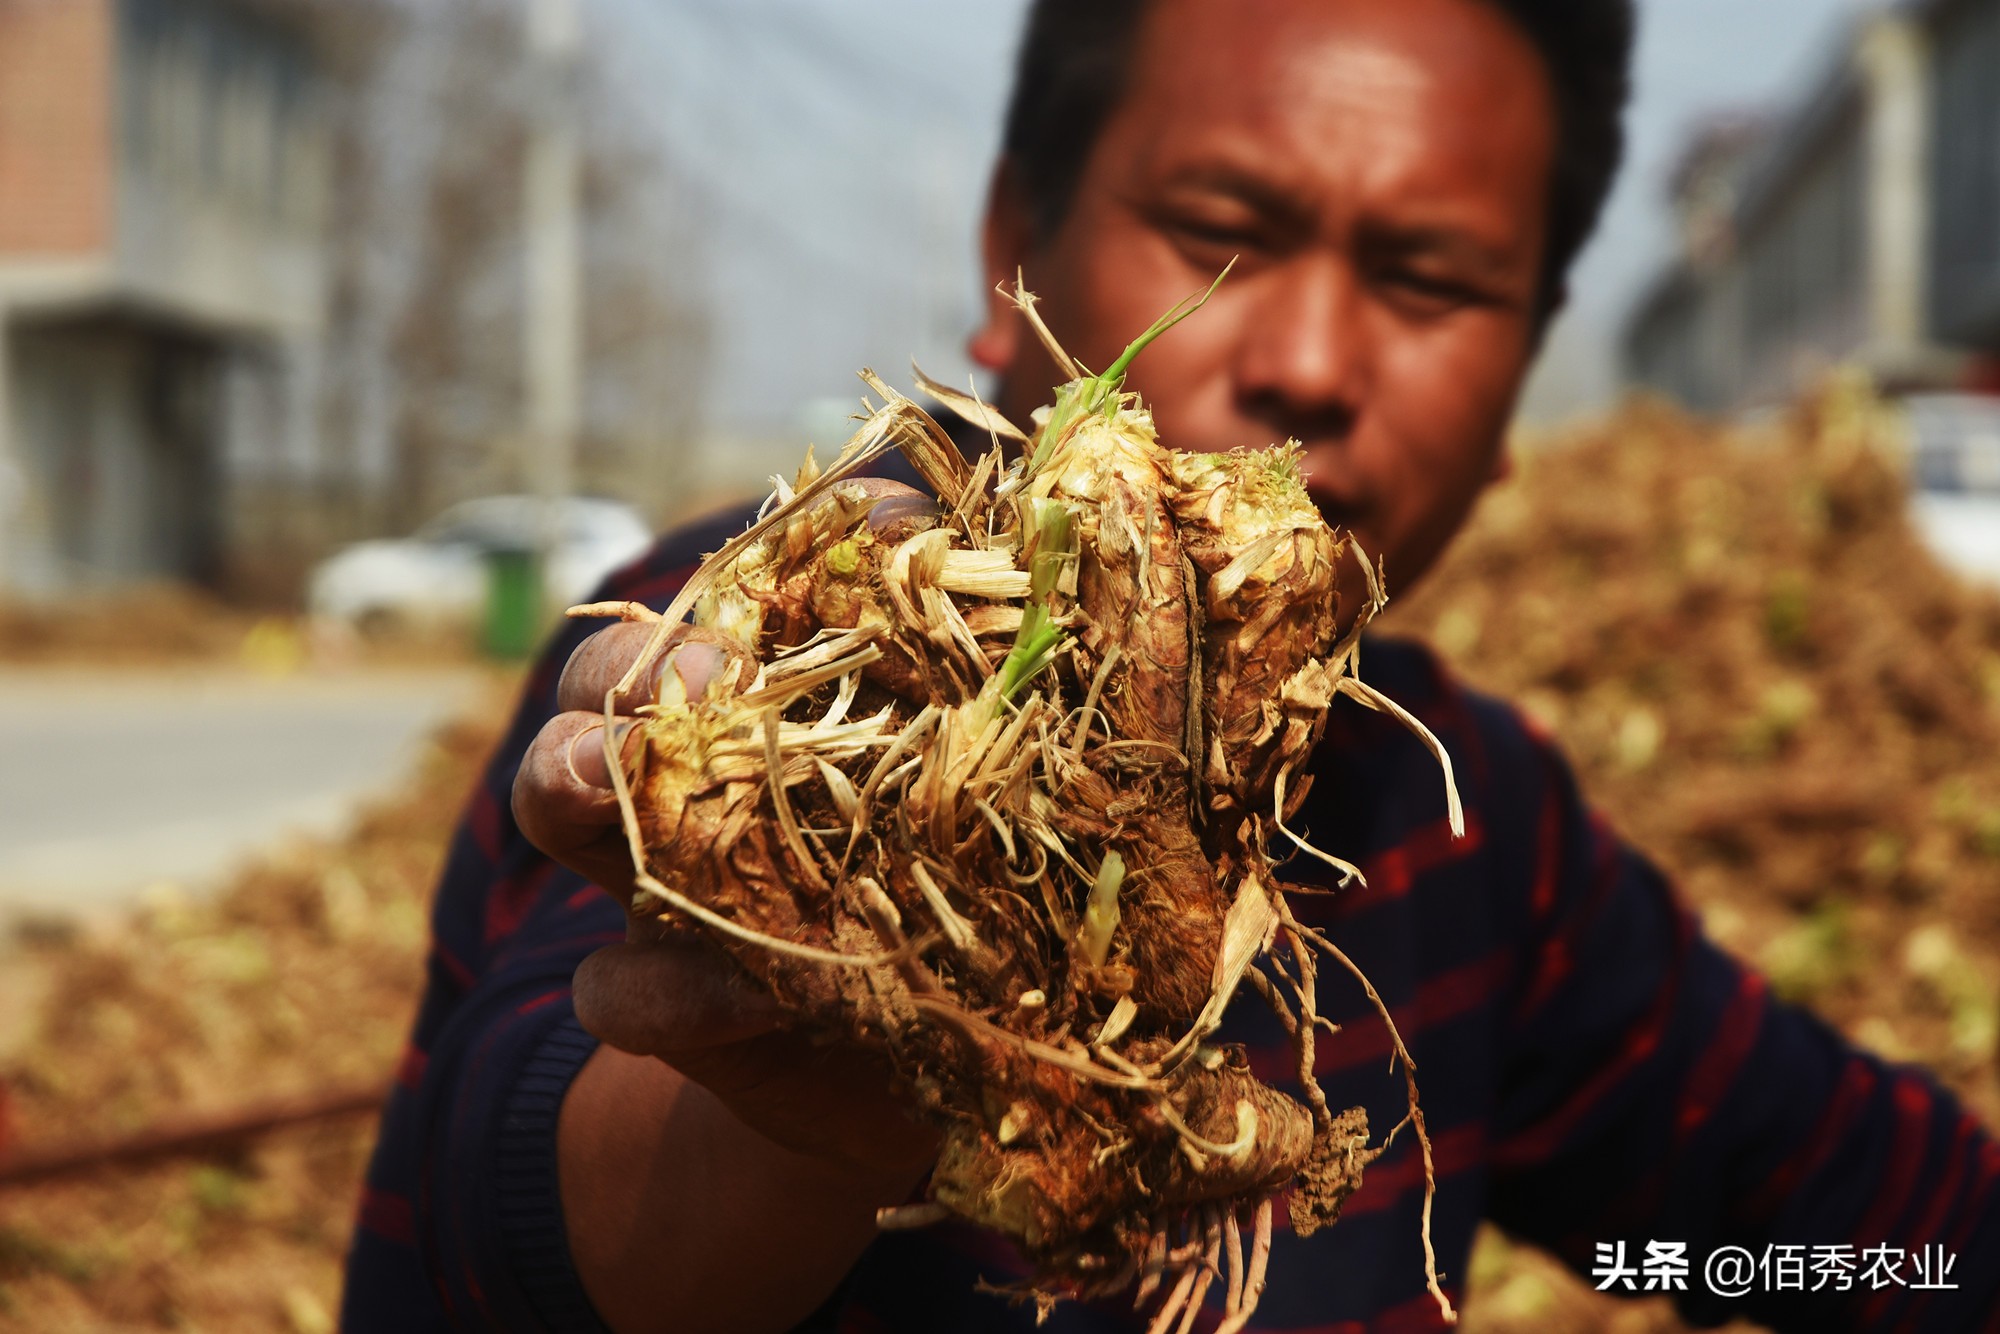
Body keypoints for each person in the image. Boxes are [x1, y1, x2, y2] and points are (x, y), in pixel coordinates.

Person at [340, 1, 2000, 1330]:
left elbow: (1855, 1229)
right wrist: (791, 1100)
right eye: (1222, 231)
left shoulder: (1456, 817)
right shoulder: (772, 650)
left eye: (1430, 282)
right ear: (1015, 257)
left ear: (1517, 407)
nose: (1312, 362)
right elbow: (511, 1205)